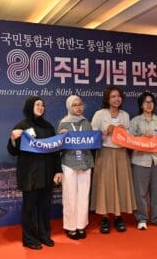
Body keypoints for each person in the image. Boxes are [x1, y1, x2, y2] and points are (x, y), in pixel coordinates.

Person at [7, 96, 63, 250]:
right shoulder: (22, 126)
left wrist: (58, 170)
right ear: (30, 106)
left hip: (47, 174)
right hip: (30, 175)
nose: (41, 107)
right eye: (38, 105)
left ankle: (44, 236)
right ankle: (30, 239)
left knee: (45, 208)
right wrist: (12, 139)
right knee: (30, 209)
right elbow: (13, 151)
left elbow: (55, 151)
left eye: (43, 105)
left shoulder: (49, 127)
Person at [90, 85, 136, 234]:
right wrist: (105, 132)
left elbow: (130, 138)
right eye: (113, 97)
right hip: (105, 152)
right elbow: (92, 136)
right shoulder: (99, 114)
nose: (117, 99)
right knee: (105, 184)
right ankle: (104, 217)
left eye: (118, 96)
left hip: (121, 153)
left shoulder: (125, 115)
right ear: (107, 99)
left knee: (121, 184)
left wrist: (125, 132)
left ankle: (118, 216)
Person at [129, 91, 157, 230]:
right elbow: (129, 142)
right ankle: (142, 218)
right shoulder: (135, 121)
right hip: (140, 160)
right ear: (141, 104)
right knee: (140, 192)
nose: (149, 104)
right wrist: (141, 137)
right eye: (146, 102)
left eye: (151, 102)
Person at [58, 95, 94, 240]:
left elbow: (92, 141)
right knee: (70, 196)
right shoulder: (63, 123)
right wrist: (62, 137)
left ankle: (81, 225)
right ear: (69, 107)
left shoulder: (87, 122)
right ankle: (70, 227)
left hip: (85, 162)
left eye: (80, 104)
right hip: (69, 162)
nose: (78, 107)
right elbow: (58, 145)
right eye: (75, 105)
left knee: (84, 196)